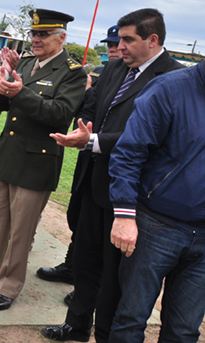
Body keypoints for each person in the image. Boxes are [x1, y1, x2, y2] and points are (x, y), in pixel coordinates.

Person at [41, 8, 182, 342]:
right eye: (119, 38)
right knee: (85, 262)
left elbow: (155, 137)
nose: (120, 46)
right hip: (93, 180)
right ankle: (76, 326)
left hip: (132, 195)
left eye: (128, 39)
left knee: (114, 276)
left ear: (153, 40)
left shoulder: (173, 78)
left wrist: (93, 140)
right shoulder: (117, 67)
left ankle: (104, 334)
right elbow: (92, 106)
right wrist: (84, 129)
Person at [0, 8, 86, 311]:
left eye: (43, 34)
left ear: (61, 37)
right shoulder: (26, 64)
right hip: (8, 156)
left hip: (36, 162)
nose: (36, 39)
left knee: (20, 231)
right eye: (34, 34)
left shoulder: (72, 72)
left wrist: (19, 93)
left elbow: (60, 115)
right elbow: (4, 103)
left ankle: (9, 285)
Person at [107, 55, 205, 343]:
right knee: (131, 319)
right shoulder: (170, 88)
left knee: (184, 330)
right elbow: (129, 153)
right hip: (157, 226)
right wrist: (125, 214)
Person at [36, 23, 123, 295]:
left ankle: (92, 287)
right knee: (80, 219)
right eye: (110, 45)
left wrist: (96, 138)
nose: (113, 49)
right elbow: (87, 109)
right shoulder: (105, 72)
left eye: (119, 43)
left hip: (118, 168)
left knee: (105, 234)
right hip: (89, 161)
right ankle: (73, 267)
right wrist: (85, 129)